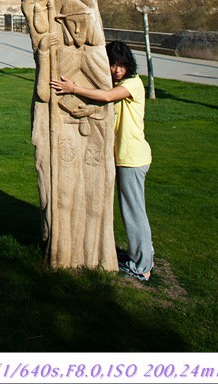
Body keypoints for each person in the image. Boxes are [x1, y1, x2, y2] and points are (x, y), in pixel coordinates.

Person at [50, 39, 154, 281]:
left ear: (129, 65)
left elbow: (107, 97)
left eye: (122, 65)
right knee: (133, 210)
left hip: (132, 158)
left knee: (133, 212)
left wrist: (74, 88)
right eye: (113, 64)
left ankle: (142, 267)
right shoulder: (122, 83)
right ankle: (144, 254)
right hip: (123, 158)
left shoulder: (133, 84)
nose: (117, 70)